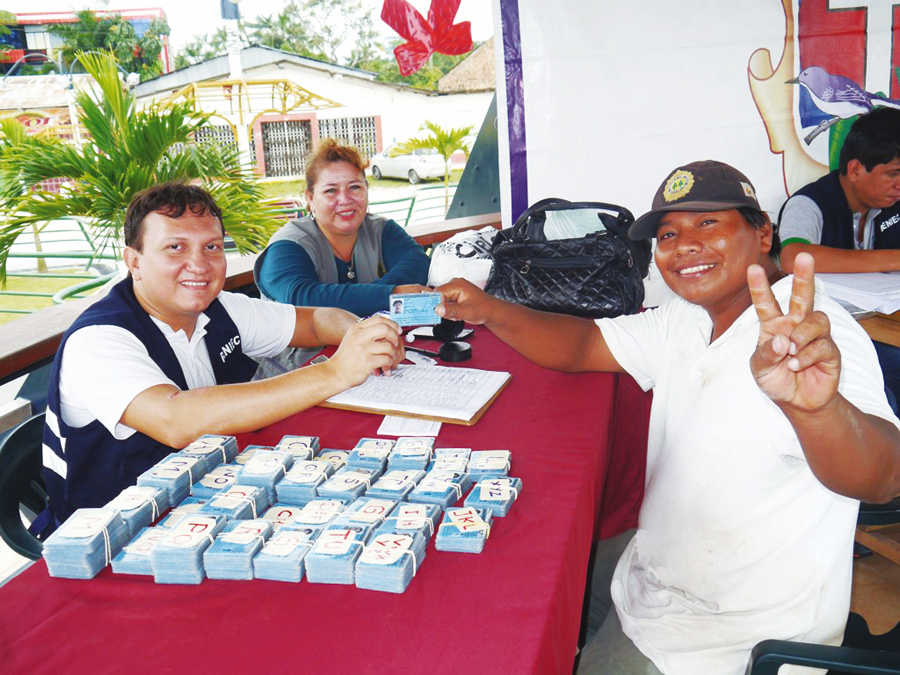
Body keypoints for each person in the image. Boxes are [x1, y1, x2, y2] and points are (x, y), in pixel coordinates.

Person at [436, 160, 900, 675]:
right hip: (655, 574)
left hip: (725, 638)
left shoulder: (812, 332)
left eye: (708, 223)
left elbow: (883, 477)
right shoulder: (689, 315)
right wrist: (490, 310)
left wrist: (817, 410)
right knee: (529, 580)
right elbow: (585, 344)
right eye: (668, 234)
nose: (684, 246)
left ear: (763, 233)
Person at [40, 182, 404, 529]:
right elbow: (175, 420)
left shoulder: (219, 307)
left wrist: (365, 336)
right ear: (134, 262)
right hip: (114, 534)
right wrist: (336, 372)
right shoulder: (98, 339)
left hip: (213, 500)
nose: (199, 264)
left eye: (212, 247)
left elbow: (318, 320)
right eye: (175, 248)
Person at [778, 107, 900, 411]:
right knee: (885, 388)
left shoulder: (893, 203)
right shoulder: (809, 203)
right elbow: (793, 258)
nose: (899, 185)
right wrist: (892, 259)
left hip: (884, 326)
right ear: (855, 169)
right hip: (827, 336)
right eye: (893, 174)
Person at [253, 138, 430, 317]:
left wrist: (372, 297)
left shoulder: (381, 229)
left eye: (355, 187)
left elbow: (418, 264)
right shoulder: (287, 245)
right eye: (331, 190)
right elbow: (301, 298)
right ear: (310, 198)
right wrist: (391, 294)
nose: (345, 200)